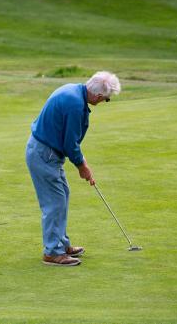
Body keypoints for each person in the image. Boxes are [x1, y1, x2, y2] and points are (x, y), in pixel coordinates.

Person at [26, 71, 121, 266]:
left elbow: (70, 140)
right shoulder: (75, 105)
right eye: (106, 100)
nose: (104, 102)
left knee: (62, 195)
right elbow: (70, 144)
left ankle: (61, 243)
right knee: (54, 202)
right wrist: (82, 166)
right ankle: (52, 252)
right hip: (45, 153)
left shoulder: (74, 91)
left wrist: (82, 161)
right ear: (97, 96)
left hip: (45, 150)